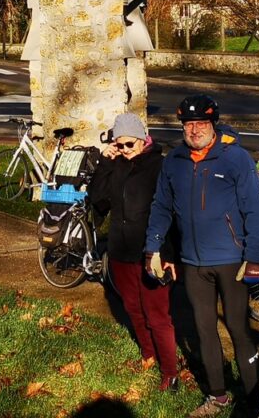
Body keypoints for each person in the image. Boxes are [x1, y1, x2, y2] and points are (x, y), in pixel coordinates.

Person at [144, 94, 259, 417]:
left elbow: (255, 210)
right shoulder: (174, 161)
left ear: (213, 125)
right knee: (204, 330)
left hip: (231, 260)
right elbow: (161, 206)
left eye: (201, 123)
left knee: (238, 328)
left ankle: (253, 400)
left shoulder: (235, 158)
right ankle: (218, 396)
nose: (194, 130)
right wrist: (153, 247)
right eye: (188, 124)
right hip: (193, 263)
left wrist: (255, 256)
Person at [87, 113, 180, 391]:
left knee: (157, 314)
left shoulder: (159, 166)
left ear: (143, 140)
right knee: (133, 308)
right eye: (120, 144)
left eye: (130, 144)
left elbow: (171, 213)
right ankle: (148, 353)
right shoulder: (116, 164)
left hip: (151, 251)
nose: (125, 150)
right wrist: (105, 162)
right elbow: (98, 199)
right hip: (120, 249)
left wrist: (167, 254)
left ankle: (170, 372)